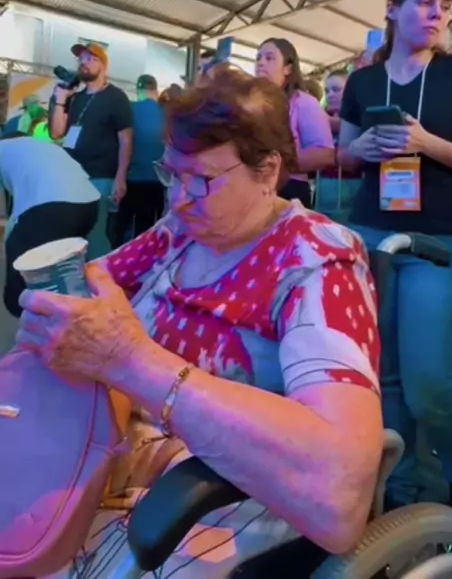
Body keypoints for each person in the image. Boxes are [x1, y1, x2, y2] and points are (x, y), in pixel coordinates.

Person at [18, 68, 382, 579]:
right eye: (171, 174)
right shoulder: (181, 231)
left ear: (268, 171)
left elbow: (338, 493)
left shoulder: (316, 259)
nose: (178, 198)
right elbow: (92, 290)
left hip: (215, 494)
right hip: (116, 460)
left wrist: (130, 361)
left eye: (202, 180)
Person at [337, 0, 452, 514]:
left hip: (438, 241)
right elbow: (346, 154)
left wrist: (426, 144)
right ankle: (404, 493)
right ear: (393, 8)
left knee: (428, 386)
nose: (437, 14)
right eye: (425, 2)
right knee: (385, 378)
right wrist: (361, 149)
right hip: (370, 232)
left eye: (445, 6)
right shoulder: (363, 82)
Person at [49, 43, 133, 259]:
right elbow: (57, 132)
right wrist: (60, 100)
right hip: (71, 176)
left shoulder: (116, 97)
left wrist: (120, 177)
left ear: (103, 65)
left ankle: (99, 276)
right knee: (70, 233)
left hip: (100, 176)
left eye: (89, 58)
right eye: (81, 59)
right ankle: (74, 275)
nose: (83, 63)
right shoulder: (75, 98)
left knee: (95, 235)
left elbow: (126, 140)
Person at [1, 133, 99, 317]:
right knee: (67, 270)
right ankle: (78, 315)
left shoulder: (3, 149)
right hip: (89, 204)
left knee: (18, 265)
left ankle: (27, 317)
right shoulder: (40, 147)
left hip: (53, 206)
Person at [256, 38, 334, 207]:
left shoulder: (304, 102)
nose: (260, 63)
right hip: (253, 189)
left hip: (289, 191)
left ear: (288, 68)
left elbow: (324, 155)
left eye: (269, 58)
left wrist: (273, 165)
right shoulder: (250, 103)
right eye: (258, 58)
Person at [115, 74, 166, 244]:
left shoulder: (129, 110)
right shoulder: (167, 114)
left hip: (131, 179)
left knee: (123, 229)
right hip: (158, 181)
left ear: (138, 90)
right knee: (148, 228)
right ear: (156, 91)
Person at [315, 71, 362, 224]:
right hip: (324, 185)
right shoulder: (320, 116)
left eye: (336, 89)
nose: (330, 95)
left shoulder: (361, 116)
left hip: (355, 184)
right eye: (327, 91)